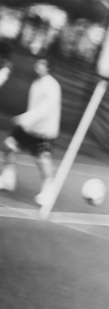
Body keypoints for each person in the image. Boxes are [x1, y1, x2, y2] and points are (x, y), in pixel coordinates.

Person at [0, 58, 60, 204]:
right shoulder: (36, 82)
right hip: (28, 128)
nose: (37, 65)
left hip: (43, 132)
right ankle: (8, 179)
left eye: (42, 64)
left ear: (48, 68)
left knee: (43, 161)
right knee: (8, 146)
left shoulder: (52, 86)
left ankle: (48, 192)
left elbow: (45, 110)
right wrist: (26, 122)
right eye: (37, 63)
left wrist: (24, 118)